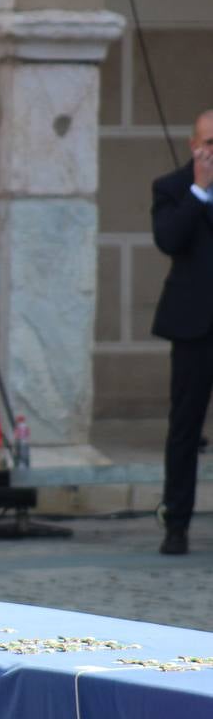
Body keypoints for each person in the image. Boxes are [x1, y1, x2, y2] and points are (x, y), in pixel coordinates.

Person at [152, 110, 213, 556]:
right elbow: (169, 239)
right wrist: (198, 189)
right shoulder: (172, 187)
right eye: (207, 143)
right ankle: (176, 522)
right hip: (193, 326)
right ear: (193, 144)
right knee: (185, 428)